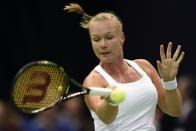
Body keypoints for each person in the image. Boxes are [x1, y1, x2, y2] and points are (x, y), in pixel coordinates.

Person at [64, 3, 185, 131]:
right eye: (96, 39)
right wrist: (111, 102)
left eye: (109, 37)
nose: (103, 44)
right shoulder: (94, 80)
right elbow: (106, 118)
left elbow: (174, 110)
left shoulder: (144, 67)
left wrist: (169, 82)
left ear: (121, 37)